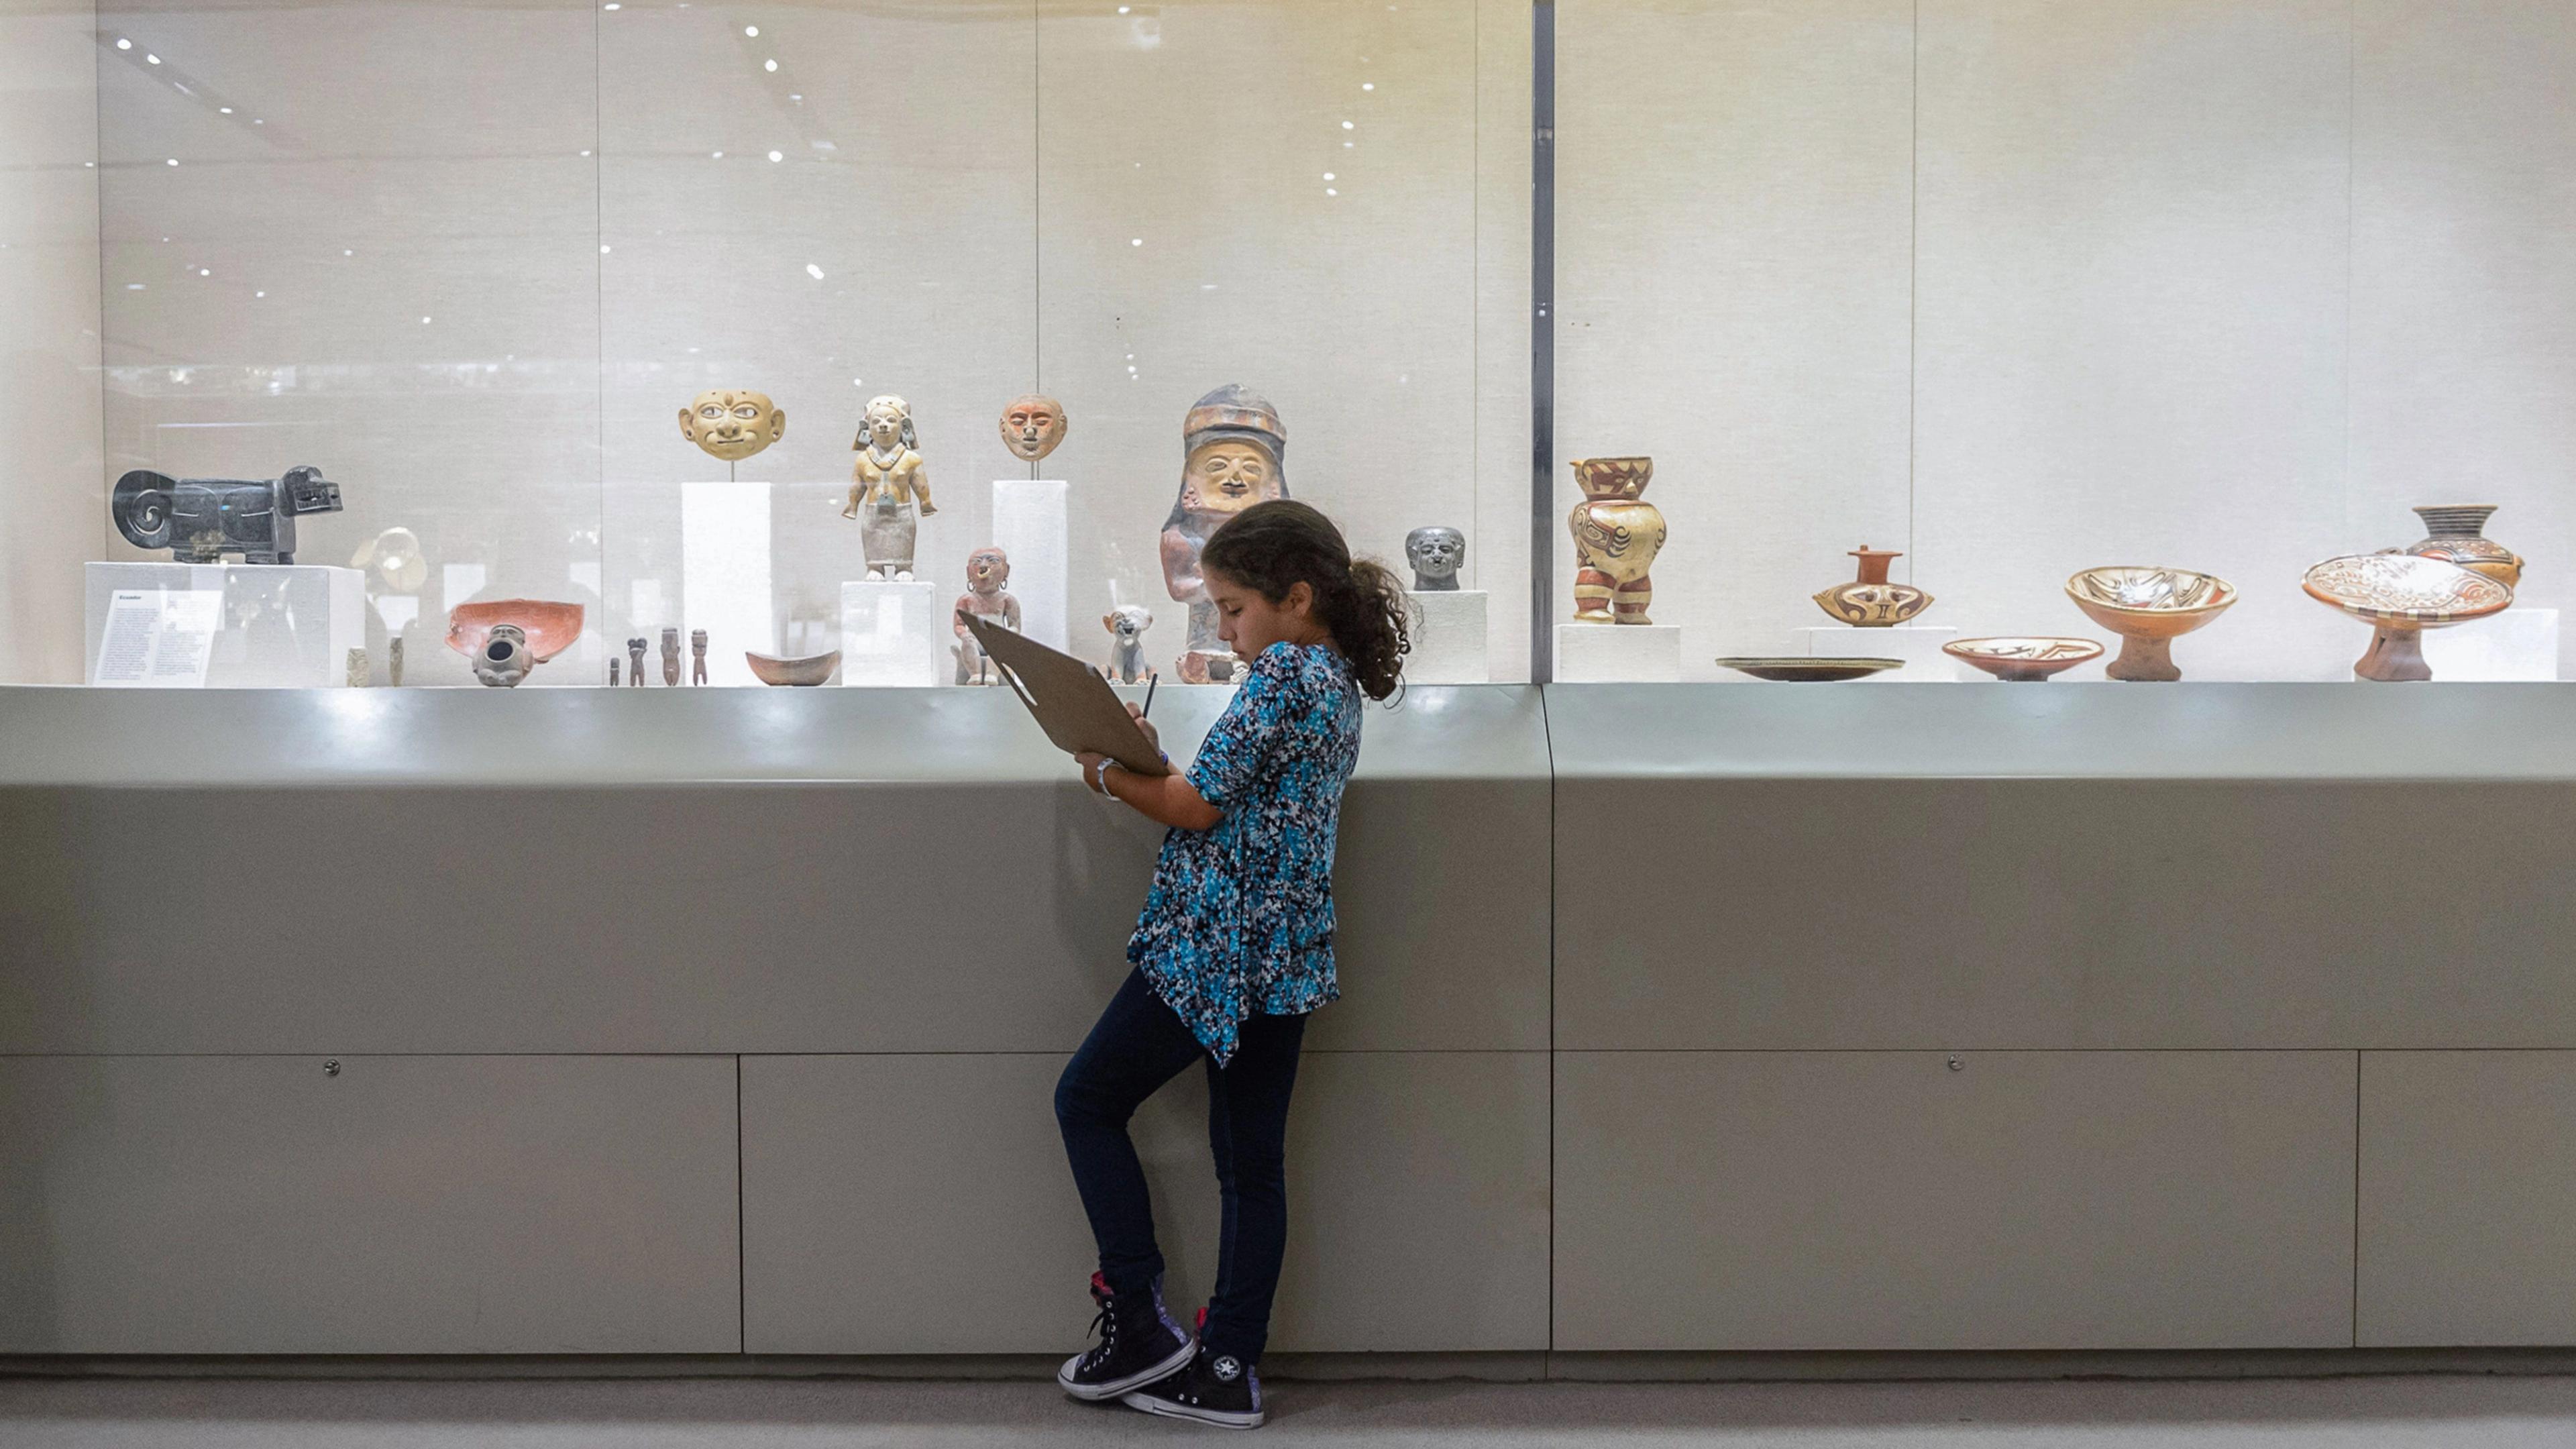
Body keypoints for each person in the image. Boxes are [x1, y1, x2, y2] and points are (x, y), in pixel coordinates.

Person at [1054, 500, 1411, 1430]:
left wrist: (1102, 769)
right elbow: (1228, 792)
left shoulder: (1285, 672)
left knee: (1086, 1100)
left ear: (1297, 598)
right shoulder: (1332, 676)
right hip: (1284, 955)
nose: (1224, 629)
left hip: (1215, 947)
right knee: (1250, 1165)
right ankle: (1226, 1367)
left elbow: (1198, 809)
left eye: (1233, 609)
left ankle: (1137, 1321)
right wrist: (1157, 772)